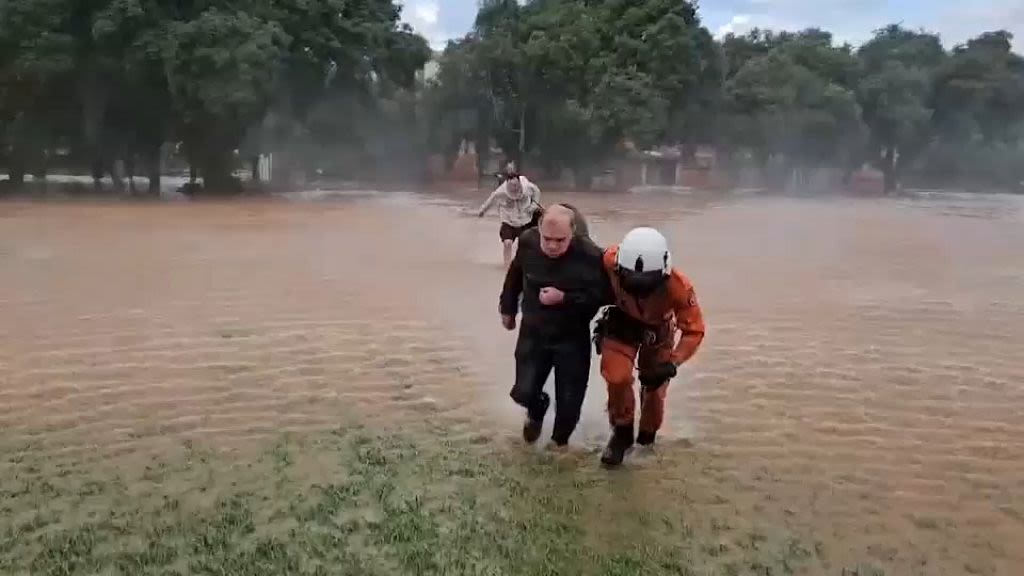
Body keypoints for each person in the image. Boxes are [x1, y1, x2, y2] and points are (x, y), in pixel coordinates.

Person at [499, 204, 611, 448]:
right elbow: (515, 275)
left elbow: (605, 296)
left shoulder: (591, 255)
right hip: (533, 332)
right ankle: (537, 409)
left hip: (571, 337)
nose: (551, 246)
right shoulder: (528, 243)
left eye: (560, 240)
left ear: (573, 234)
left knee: (569, 405)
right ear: (538, 230)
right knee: (523, 392)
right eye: (547, 239)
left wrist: (565, 298)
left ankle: (558, 446)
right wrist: (507, 308)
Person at [592, 227, 705, 466]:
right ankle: (621, 433)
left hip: (659, 330)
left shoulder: (680, 287)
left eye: (646, 285)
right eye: (631, 282)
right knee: (616, 376)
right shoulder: (609, 259)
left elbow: (694, 330)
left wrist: (673, 363)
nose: (639, 290)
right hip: (622, 321)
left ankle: (647, 438)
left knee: (654, 389)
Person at [477, 170, 543, 267]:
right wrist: (482, 211)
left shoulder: (527, 186)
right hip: (508, 219)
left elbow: (537, 191)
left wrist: (534, 205)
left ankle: (524, 263)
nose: (514, 188)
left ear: (519, 182)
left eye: (516, 185)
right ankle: (507, 265)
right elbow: (491, 199)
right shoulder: (501, 192)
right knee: (507, 243)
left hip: (524, 219)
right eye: (512, 186)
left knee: (525, 243)